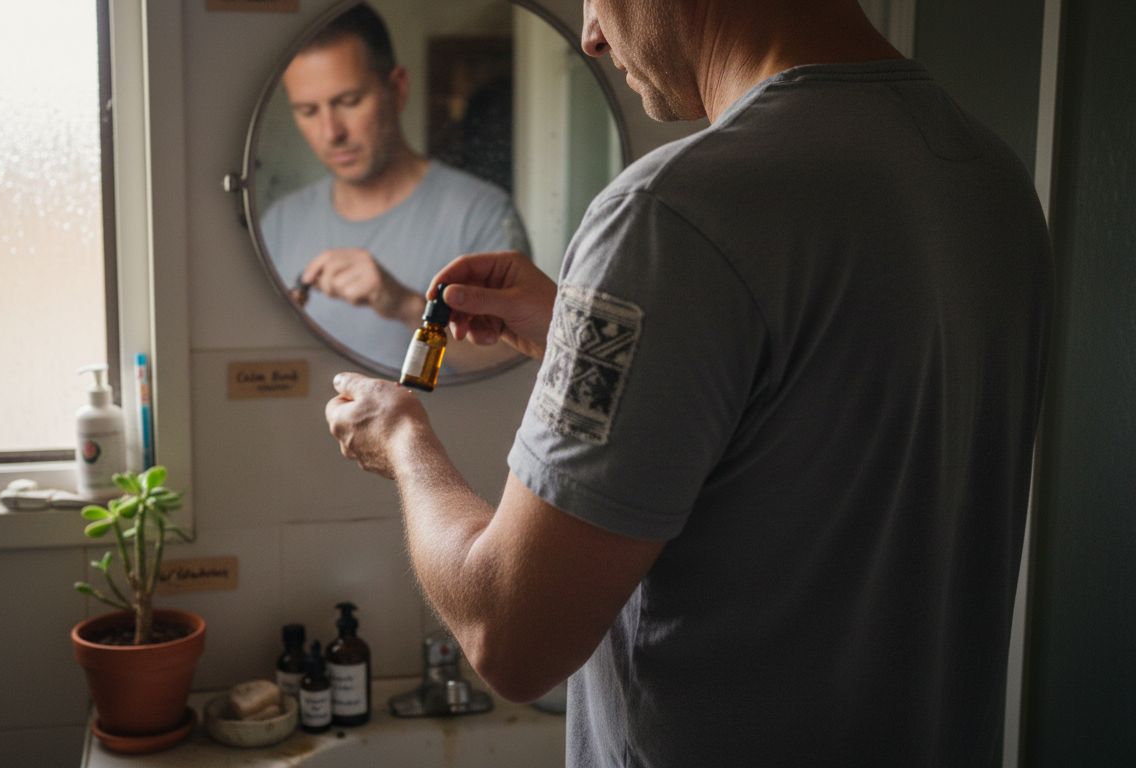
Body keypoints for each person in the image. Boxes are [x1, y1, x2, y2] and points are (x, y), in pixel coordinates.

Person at [325, 0, 1051, 765]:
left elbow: (509, 635)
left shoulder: (671, 215)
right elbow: (817, 405)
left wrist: (403, 440)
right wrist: (581, 329)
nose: (592, 36)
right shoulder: (988, 177)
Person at [261, 3, 529, 372]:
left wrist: (406, 306)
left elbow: (512, 362)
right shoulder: (278, 223)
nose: (331, 133)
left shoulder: (480, 214)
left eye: (349, 101)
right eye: (308, 111)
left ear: (397, 89)